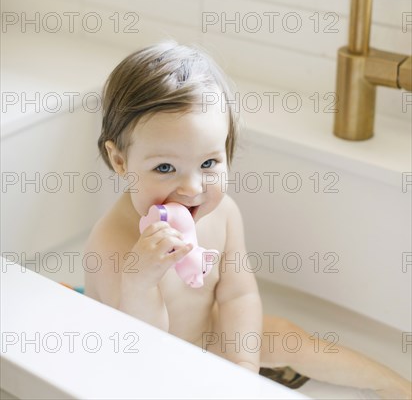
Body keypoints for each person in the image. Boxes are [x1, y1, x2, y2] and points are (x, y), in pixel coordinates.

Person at [84, 40, 411, 399]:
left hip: (208, 335)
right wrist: (139, 281)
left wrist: (243, 367)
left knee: (288, 336)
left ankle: (390, 383)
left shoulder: (222, 214)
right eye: (165, 167)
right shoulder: (112, 242)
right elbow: (139, 348)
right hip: (144, 368)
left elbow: (238, 295)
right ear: (119, 162)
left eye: (209, 163)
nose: (192, 188)